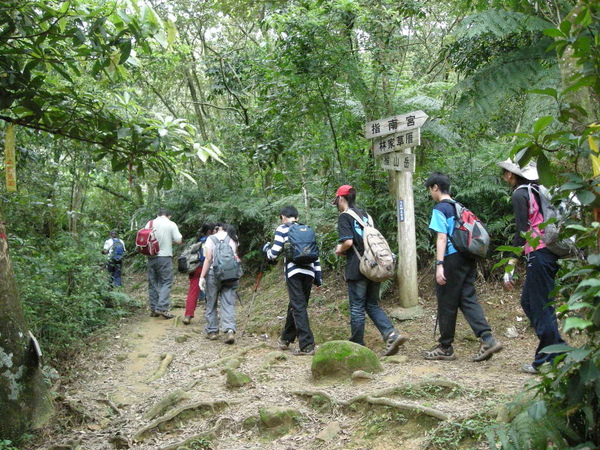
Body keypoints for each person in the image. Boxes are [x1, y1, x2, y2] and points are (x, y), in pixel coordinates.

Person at [423, 172, 503, 361]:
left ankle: (445, 347)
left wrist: (439, 265)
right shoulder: (459, 207)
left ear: (435, 187)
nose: (430, 194)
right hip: (467, 257)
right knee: (467, 298)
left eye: (430, 190)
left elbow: (442, 237)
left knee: (446, 301)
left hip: (451, 258)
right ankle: (487, 339)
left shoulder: (441, 208)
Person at [498, 159, 566, 374]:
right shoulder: (538, 190)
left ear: (510, 175)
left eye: (504, 173)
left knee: (539, 306)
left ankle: (544, 358)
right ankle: (558, 348)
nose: (503, 177)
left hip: (539, 252)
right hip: (548, 252)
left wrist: (510, 266)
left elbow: (521, 233)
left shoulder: (520, 193)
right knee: (529, 302)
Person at [333, 185, 406, 356]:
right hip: (375, 266)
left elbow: (348, 242)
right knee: (371, 304)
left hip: (357, 268)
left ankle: (357, 345)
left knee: (357, 307)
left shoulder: (344, 217)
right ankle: (391, 334)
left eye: (336, 201)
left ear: (341, 199)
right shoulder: (366, 216)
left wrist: (339, 248)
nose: (337, 205)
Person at [263, 206, 322, 356]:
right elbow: (316, 255)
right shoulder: (307, 229)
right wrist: (318, 277)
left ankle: (307, 345)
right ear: (296, 216)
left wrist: (267, 251)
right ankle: (286, 339)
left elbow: (274, 253)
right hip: (309, 272)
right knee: (297, 305)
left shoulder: (282, 229)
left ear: (283, 216)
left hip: (294, 272)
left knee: (298, 306)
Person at [199, 223, 240, 344]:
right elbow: (235, 256)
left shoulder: (210, 239)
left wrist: (202, 277)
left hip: (214, 274)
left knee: (211, 302)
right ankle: (229, 330)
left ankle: (212, 331)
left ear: (216, 229)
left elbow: (208, 259)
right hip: (231, 274)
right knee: (228, 302)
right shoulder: (233, 237)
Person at [146, 209, 182, 319]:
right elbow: (179, 240)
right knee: (166, 282)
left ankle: (153, 308)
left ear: (158, 214)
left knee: (153, 283)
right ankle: (162, 308)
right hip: (165, 257)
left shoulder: (150, 223)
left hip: (151, 257)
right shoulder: (171, 224)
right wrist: (168, 241)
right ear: (169, 215)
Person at [183, 223, 215, 325]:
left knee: (193, 291)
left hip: (197, 268)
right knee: (212, 291)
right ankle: (212, 317)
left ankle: (188, 315)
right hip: (210, 268)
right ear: (209, 232)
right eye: (214, 230)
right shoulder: (213, 241)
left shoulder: (199, 242)